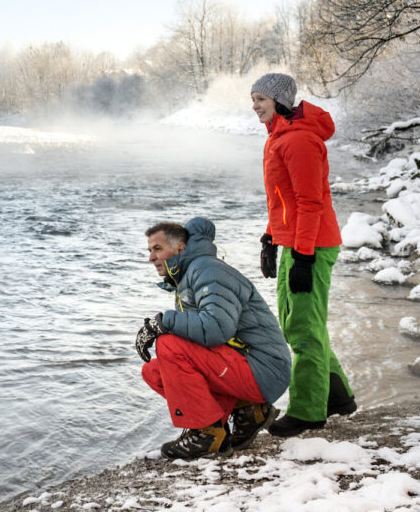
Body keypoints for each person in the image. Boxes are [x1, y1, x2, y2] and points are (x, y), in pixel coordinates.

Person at [250, 72, 357, 437]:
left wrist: (306, 256)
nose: (255, 106)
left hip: (310, 245)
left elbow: (311, 202)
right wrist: (270, 238)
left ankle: (309, 411)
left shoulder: (298, 142)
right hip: (294, 242)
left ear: (279, 101)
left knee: (302, 329)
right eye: (253, 99)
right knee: (298, 321)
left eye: (261, 99)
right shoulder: (278, 138)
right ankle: (337, 396)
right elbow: (284, 200)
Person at [134, 218, 291, 459]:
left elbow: (217, 327)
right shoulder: (191, 273)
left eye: (157, 249)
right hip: (245, 365)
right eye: (149, 251)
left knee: (168, 345)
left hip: (265, 369)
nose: (151, 257)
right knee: (154, 371)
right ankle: (244, 413)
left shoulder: (208, 270)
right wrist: (163, 324)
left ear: (180, 248)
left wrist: (163, 322)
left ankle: (207, 435)